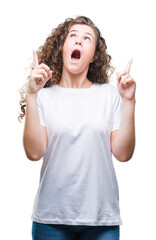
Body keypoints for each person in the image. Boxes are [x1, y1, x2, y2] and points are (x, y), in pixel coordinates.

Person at [19, 16, 136, 240]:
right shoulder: (44, 96)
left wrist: (129, 101)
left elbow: (123, 154)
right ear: (62, 48)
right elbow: (34, 153)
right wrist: (32, 95)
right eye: (72, 36)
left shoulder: (108, 94)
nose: (78, 41)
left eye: (87, 38)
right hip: (51, 221)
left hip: (101, 221)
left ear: (93, 57)